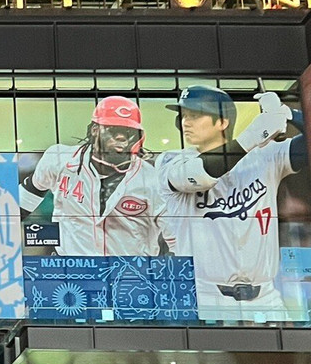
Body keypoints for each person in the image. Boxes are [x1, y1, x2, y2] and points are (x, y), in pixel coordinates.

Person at [156, 86, 307, 321]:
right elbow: (205, 171)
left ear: (222, 122)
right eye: (183, 116)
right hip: (203, 296)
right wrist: (254, 134)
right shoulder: (172, 161)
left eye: (195, 115)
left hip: (266, 297)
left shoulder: (267, 157)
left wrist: (289, 114)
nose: (186, 122)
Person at [20, 96, 173, 256]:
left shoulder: (153, 179)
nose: (121, 137)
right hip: (72, 270)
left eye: (128, 131)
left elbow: (176, 239)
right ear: (94, 130)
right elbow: (21, 204)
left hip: (131, 273)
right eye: (113, 129)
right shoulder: (59, 159)